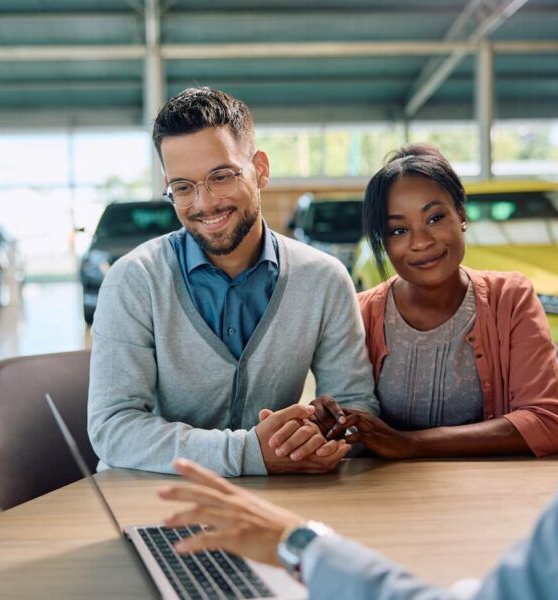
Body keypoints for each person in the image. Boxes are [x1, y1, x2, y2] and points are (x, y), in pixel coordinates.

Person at [159, 14, 558, 598]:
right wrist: (324, 426)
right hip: (395, 517)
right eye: (399, 230)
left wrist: (298, 541)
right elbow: (352, 416)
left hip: (491, 525)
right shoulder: (361, 309)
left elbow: (547, 439)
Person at [87, 87, 379, 477]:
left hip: (273, 497)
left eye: (220, 177)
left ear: (260, 168)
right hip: (153, 493)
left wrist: (328, 438)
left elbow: (356, 405)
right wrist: (247, 453)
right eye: (183, 187)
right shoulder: (133, 280)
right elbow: (113, 429)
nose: (204, 204)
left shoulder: (323, 279)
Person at [344, 144, 558, 459]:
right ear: (384, 243)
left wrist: (412, 444)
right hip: (388, 497)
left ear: (461, 215)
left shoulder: (510, 297)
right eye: (399, 230)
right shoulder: (359, 313)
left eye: (435, 218)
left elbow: (548, 424)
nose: (421, 241)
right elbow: (350, 432)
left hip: (490, 496)